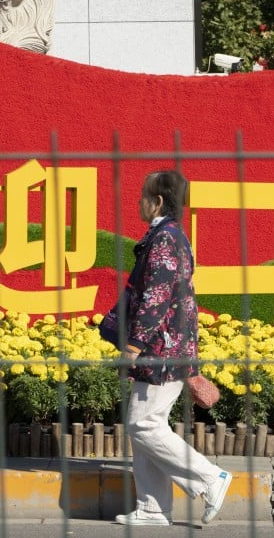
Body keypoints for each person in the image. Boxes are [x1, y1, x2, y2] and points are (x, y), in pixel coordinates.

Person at [99, 169, 232, 527]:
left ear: (157, 201)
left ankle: (209, 478)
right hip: (165, 345)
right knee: (144, 424)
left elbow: (157, 294)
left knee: (143, 425)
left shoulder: (165, 238)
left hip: (162, 347)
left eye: (143, 195)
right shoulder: (168, 236)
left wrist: (134, 342)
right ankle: (153, 508)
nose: (138, 201)